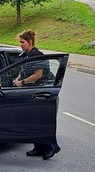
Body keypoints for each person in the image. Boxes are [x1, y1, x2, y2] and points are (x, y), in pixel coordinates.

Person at [12, 29, 61, 160]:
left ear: (30, 42)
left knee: (41, 121)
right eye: (20, 42)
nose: (20, 45)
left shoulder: (37, 55)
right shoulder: (27, 54)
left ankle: (51, 147)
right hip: (32, 91)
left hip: (41, 91)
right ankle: (38, 148)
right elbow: (24, 70)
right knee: (32, 120)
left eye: (22, 42)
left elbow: (38, 75)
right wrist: (17, 79)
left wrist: (21, 82)